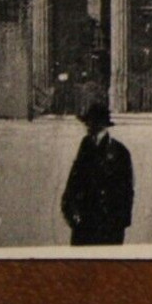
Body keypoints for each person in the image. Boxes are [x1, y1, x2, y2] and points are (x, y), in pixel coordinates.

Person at [60, 102, 134, 246]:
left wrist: (119, 223)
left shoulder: (119, 151)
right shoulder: (85, 146)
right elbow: (74, 182)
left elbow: (126, 191)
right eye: (88, 124)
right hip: (84, 222)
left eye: (92, 125)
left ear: (103, 127)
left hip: (109, 225)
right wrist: (70, 210)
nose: (89, 128)